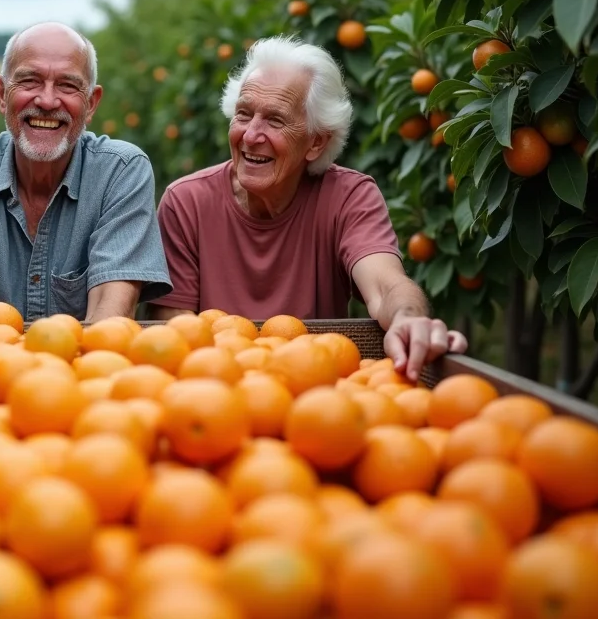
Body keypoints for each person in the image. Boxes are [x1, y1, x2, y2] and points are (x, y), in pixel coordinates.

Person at [149, 36, 467, 380]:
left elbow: (386, 285)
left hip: (318, 392)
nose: (251, 135)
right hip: (218, 394)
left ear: (317, 141)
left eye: (275, 120)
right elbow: (175, 339)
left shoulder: (348, 196)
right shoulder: (187, 202)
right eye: (243, 114)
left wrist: (408, 317)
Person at [0, 21, 172, 322]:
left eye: (67, 85)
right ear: (2, 94)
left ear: (91, 104)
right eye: (29, 81)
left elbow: (110, 314)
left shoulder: (120, 172)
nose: (48, 101)